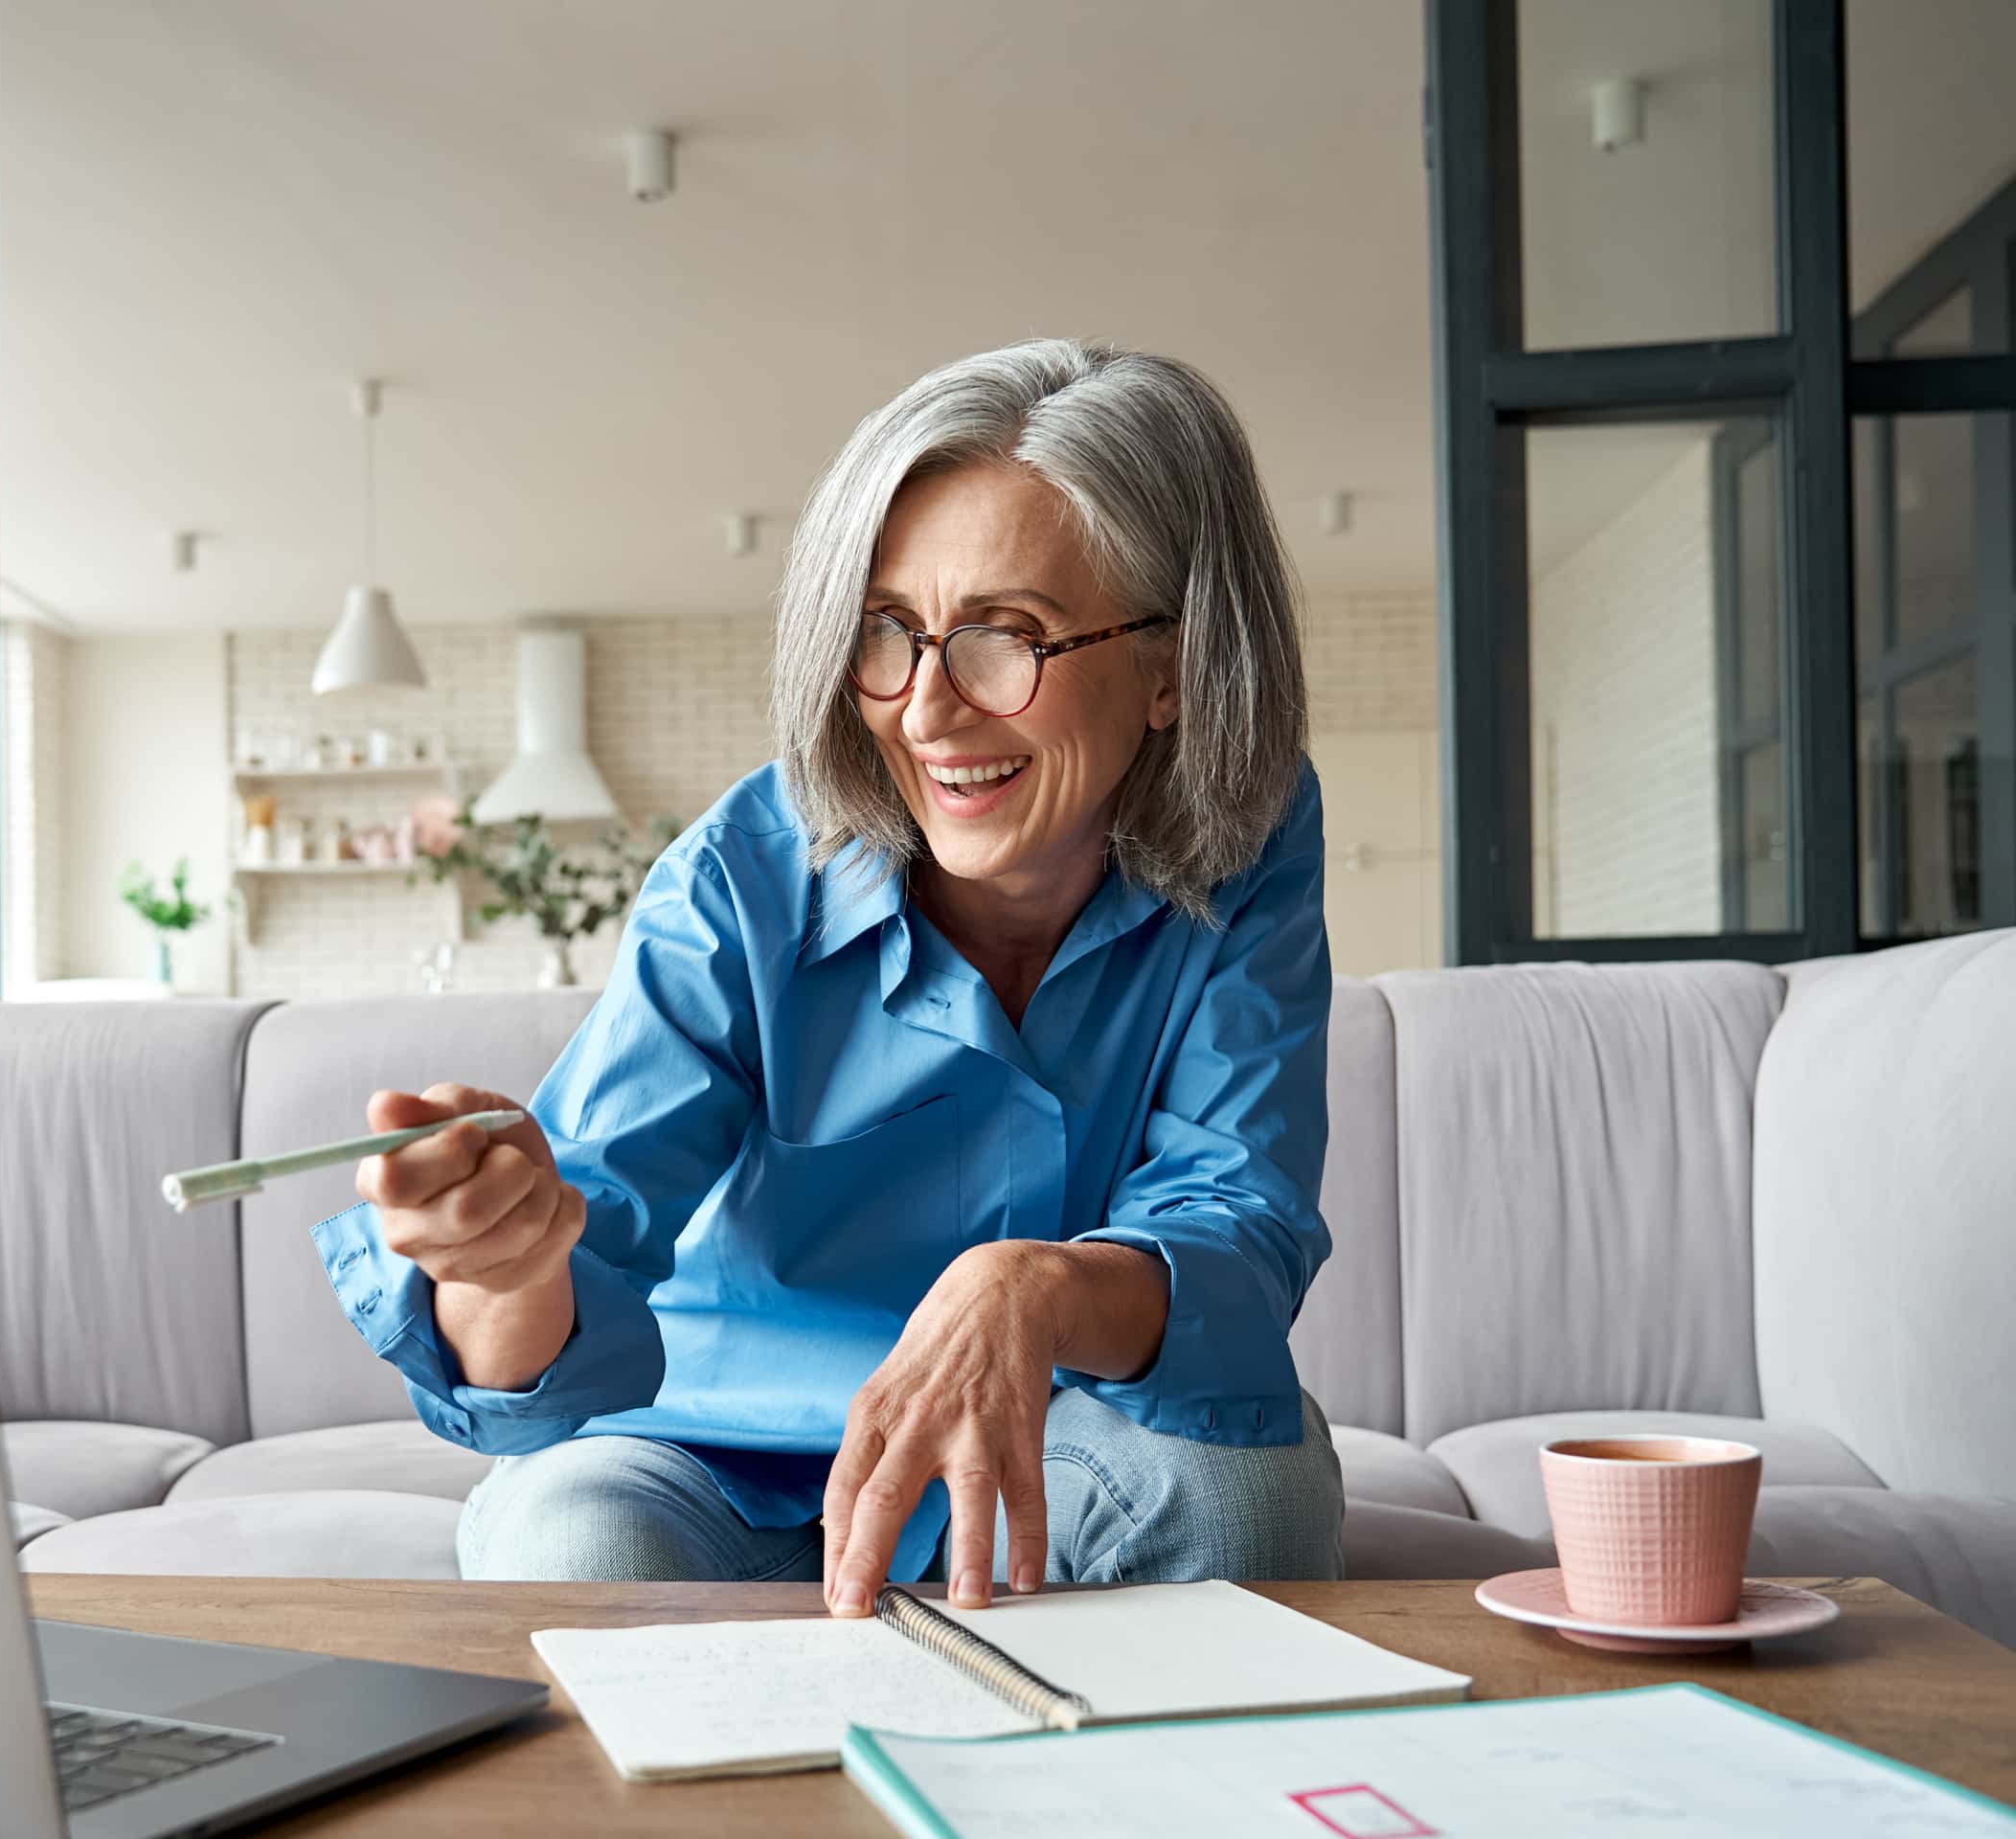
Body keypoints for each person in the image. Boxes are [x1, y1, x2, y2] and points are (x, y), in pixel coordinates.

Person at [310, 339, 1340, 1618]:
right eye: (886, 636)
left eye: (1003, 639)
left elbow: (1237, 1217)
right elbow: (578, 1273)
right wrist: (504, 1265)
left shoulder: (1250, 838)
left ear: (1174, 668)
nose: (924, 712)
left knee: (1253, 1489)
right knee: (569, 1543)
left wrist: (1031, 1285)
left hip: (1050, 1436)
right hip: (699, 1449)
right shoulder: (740, 876)